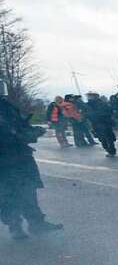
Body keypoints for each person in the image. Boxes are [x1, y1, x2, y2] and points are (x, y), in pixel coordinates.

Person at [0, 79, 63, 240]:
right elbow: (7, 133)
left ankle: (36, 222)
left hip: (20, 156)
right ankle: (15, 226)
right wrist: (20, 135)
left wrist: (32, 131)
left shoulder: (7, 105)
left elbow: (20, 125)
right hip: (3, 160)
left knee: (28, 189)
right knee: (8, 193)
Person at [82, 92, 117, 156]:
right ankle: (107, 149)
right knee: (101, 138)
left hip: (104, 123)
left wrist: (102, 116)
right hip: (95, 123)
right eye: (89, 96)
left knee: (109, 137)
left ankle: (112, 150)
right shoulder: (87, 105)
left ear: (95, 96)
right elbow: (85, 113)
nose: (89, 97)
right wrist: (86, 116)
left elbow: (109, 112)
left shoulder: (102, 103)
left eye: (91, 96)